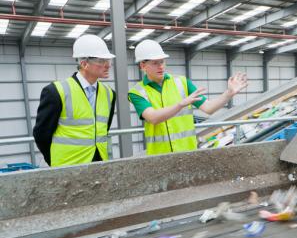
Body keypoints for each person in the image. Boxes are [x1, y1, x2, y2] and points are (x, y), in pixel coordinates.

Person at [128, 39, 248, 155]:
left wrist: (229, 93)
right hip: (159, 157)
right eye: (155, 63)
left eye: (162, 61)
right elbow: (153, 118)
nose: (161, 67)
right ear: (143, 66)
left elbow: (208, 108)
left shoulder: (182, 82)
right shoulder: (137, 92)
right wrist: (180, 104)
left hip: (188, 153)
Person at [33, 34, 116, 167]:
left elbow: (103, 129)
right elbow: (41, 134)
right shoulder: (56, 91)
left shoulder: (109, 94)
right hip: (68, 166)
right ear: (84, 64)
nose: (108, 65)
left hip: (99, 164)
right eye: (101, 61)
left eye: (108, 60)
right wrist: (55, 161)